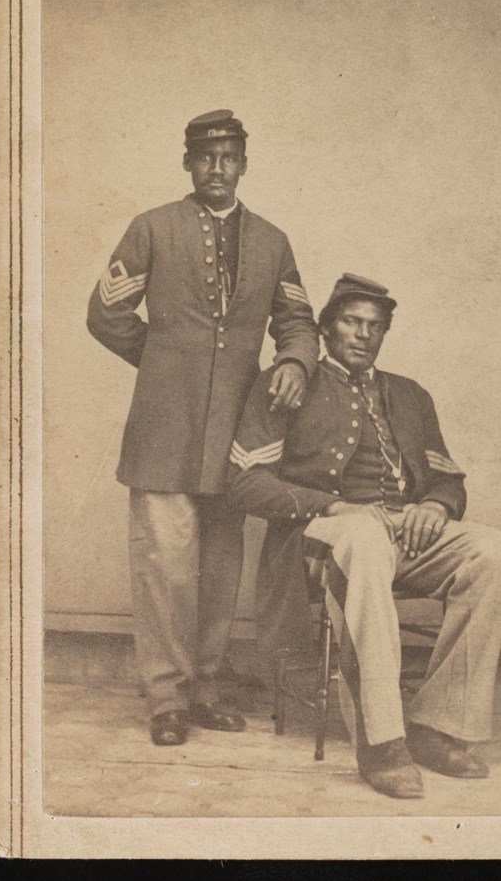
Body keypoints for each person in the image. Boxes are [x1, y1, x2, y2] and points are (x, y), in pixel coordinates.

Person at [228, 273, 501, 799]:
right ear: (325, 327)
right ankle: (383, 740)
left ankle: (438, 727)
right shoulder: (289, 381)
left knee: (497, 552)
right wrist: (335, 505)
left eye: (375, 326)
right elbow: (245, 482)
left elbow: (445, 477)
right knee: (363, 539)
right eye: (351, 322)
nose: (363, 334)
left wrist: (434, 504)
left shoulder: (410, 394)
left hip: (401, 534)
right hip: (319, 535)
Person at [87, 110, 319, 746]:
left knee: (219, 566)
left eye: (229, 156)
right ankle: (166, 699)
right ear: (187, 163)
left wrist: (296, 360)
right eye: (205, 157)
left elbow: (299, 321)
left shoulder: (273, 240)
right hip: (165, 429)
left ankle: (206, 689)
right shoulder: (152, 228)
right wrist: (165, 365)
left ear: (245, 162)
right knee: (165, 566)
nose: (217, 168)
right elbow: (106, 313)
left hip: (238, 436)